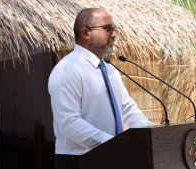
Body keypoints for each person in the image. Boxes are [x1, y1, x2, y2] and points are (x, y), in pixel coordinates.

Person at [48, 8, 154, 169]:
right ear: (85, 33)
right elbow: (68, 122)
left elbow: (128, 110)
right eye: (107, 28)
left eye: (114, 29)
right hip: (78, 162)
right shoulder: (68, 69)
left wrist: (153, 135)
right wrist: (112, 144)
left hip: (111, 157)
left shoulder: (109, 69)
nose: (114, 35)